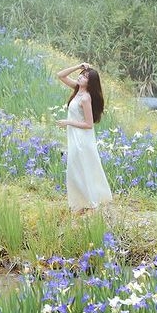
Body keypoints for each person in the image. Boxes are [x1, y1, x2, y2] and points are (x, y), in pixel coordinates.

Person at [54, 62, 112, 212]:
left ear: (90, 82)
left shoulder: (85, 98)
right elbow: (60, 75)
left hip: (82, 139)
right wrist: (78, 67)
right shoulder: (77, 89)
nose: (81, 77)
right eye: (82, 75)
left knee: (78, 170)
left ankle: (89, 203)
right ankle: (81, 204)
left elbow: (89, 124)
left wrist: (68, 122)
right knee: (77, 169)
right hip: (75, 136)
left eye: (86, 77)